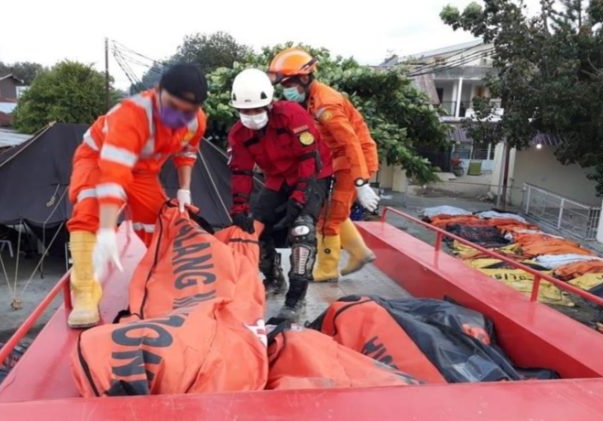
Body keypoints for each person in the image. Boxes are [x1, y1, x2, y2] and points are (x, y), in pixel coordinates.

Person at [66, 63, 208, 328]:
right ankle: (85, 293)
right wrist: (107, 230)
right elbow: (112, 178)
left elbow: (187, 152)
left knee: (160, 220)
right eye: (172, 106)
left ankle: (160, 280)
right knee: (88, 212)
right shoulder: (131, 116)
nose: (178, 115)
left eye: (186, 111)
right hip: (99, 160)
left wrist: (184, 190)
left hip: (142, 170)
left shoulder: (195, 121)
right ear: (157, 92)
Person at [228, 68, 333, 321]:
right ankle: (274, 278)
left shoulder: (292, 116)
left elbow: (310, 159)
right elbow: (241, 172)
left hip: (313, 174)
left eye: (256, 110)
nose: (251, 116)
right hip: (277, 179)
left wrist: (298, 199)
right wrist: (239, 207)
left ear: (269, 103)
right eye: (245, 111)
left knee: (302, 230)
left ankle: (295, 299)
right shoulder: (239, 134)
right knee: (254, 228)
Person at [268, 48, 380, 283]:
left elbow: (350, 142)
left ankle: (327, 270)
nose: (286, 90)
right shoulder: (310, 99)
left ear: (305, 78)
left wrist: (361, 182)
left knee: (329, 217)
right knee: (329, 210)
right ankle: (359, 252)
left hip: (353, 161)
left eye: (289, 83)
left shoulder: (325, 105)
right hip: (338, 160)